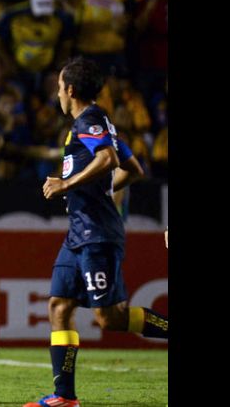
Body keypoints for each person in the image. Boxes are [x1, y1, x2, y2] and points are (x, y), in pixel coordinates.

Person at [25, 57, 168, 407]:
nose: (57, 93)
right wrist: (102, 189)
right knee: (59, 305)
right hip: (79, 232)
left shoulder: (90, 120)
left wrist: (65, 184)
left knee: (110, 318)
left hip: (96, 234)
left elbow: (108, 160)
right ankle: (64, 397)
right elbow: (132, 168)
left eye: (59, 87)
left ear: (70, 90)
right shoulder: (93, 123)